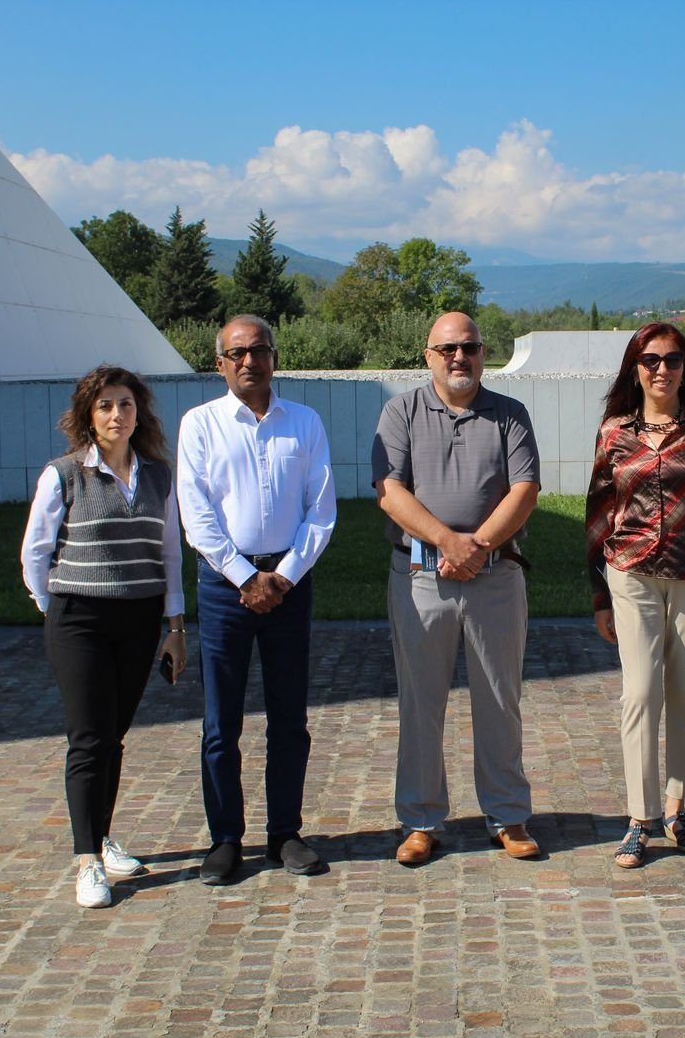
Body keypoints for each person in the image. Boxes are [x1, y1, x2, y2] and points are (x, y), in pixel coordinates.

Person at [372, 311, 541, 865]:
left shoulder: (510, 414)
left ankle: (508, 815)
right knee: (421, 703)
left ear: (483, 354)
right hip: (421, 578)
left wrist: (477, 547)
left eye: (469, 347)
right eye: (447, 349)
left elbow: (525, 491)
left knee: (500, 699)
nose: (459, 357)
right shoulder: (400, 412)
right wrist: (448, 542)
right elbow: (390, 492)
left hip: (496, 577)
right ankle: (420, 821)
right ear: (428, 356)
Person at [177, 314, 337, 884]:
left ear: (274, 357)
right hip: (225, 587)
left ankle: (284, 833)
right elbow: (196, 513)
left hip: (289, 586)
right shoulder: (200, 424)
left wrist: (283, 576)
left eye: (260, 350)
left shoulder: (305, 422)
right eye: (237, 352)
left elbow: (322, 509)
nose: (250, 361)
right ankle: (225, 839)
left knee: (289, 717)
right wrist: (245, 578)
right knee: (221, 722)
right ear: (219, 363)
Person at [21, 365, 187, 909]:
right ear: (88, 416)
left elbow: (170, 555)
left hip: (138, 620)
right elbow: (35, 553)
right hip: (79, 620)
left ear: (140, 413)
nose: (117, 415)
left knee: (113, 736)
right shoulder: (64, 475)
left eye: (126, 405)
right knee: (89, 739)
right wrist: (54, 608)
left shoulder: (159, 477)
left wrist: (175, 628)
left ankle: (102, 834)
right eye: (106, 406)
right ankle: (86, 860)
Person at [585, 323, 685, 869]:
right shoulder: (614, 434)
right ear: (635, 368)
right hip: (630, 573)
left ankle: (677, 809)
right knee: (639, 693)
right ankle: (640, 817)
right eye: (650, 360)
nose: (662, 369)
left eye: (673, 360)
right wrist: (599, 594)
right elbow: (598, 514)